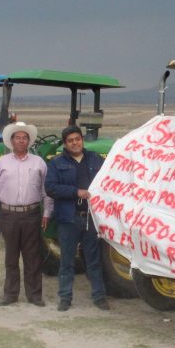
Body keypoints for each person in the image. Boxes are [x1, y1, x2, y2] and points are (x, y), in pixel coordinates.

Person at [0, 122, 53, 307]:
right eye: (18, 137)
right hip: (8, 215)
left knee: (32, 257)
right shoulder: (1, 163)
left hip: (31, 214)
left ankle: (34, 295)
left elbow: (46, 191)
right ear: (11, 141)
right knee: (11, 257)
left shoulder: (39, 163)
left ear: (29, 141)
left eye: (24, 138)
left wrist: (47, 212)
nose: (21, 140)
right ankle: (10, 295)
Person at [45, 125, 108, 312]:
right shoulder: (56, 163)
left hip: (91, 218)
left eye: (77, 139)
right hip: (68, 219)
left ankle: (99, 296)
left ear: (82, 140)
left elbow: (108, 180)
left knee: (93, 259)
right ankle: (65, 298)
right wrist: (75, 192)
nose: (75, 143)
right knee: (67, 261)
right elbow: (51, 188)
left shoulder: (96, 159)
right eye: (70, 140)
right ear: (65, 144)